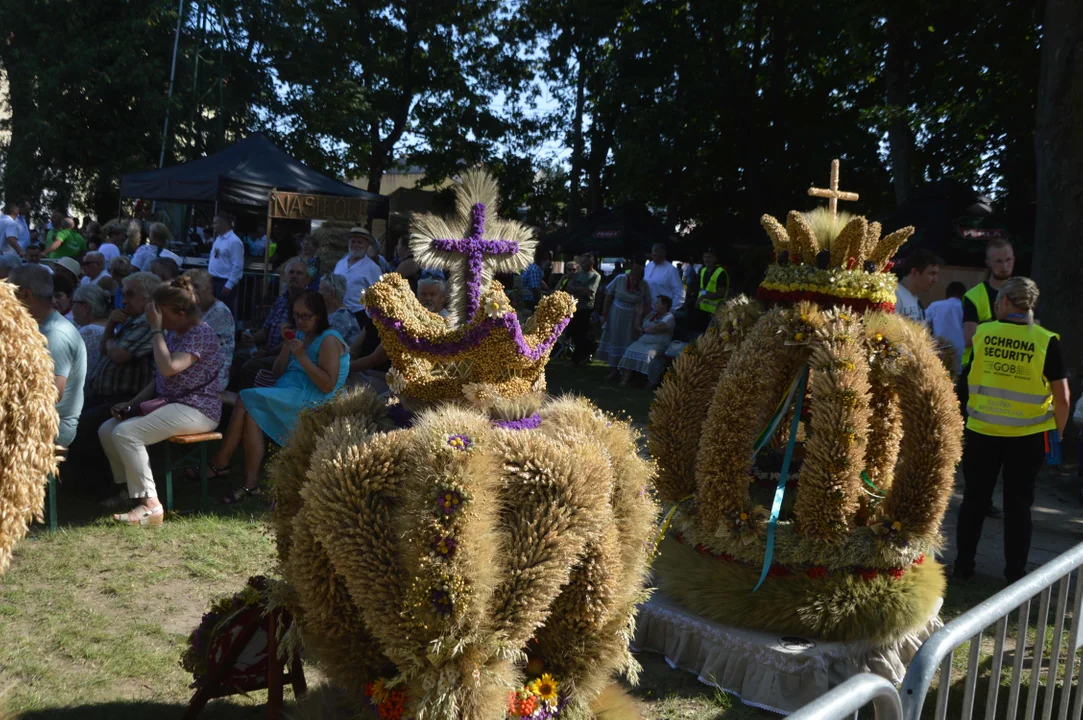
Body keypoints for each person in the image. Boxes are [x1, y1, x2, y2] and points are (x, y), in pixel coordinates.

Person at [953, 277, 1069, 583]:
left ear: (1005, 301)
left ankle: (963, 567)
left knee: (975, 501)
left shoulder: (983, 333)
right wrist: (1057, 434)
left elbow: (967, 380)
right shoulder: (1046, 340)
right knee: (1019, 507)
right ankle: (1014, 575)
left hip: (982, 431)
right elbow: (1063, 398)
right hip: (1028, 438)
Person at [98, 277, 223, 525]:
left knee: (126, 433)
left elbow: (168, 368)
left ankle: (150, 505)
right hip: (175, 404)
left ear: (180, 313)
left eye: (160, 313)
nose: (156, 319)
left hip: (199, 410)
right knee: (107, 429)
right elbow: (160, 381)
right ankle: (130, 492)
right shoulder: (176, 331)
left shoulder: (200, 334)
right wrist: (132, 403)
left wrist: (156, 330)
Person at [207, 290, 349, 503]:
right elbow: (277, 373)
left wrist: (301, 356)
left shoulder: (329, 340)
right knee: (251, 414)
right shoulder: (301, 335)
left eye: (305, 315)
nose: (299, 321)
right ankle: (250, 484)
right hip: (290, 392)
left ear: (319, 315)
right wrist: (286, 346)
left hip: (315, 400)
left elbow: (327, 385)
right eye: (296, 315)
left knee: (245, 398)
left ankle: (220, 462)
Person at [10, 265, 86, 450]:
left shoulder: (55, 335)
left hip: (53, 427)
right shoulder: (39, 326)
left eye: (9, 294)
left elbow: (51, 395)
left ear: (26, 295)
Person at [238, 258, 311, 386]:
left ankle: (250, 401)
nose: (294, 276)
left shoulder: (307, 304)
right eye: (291, 273)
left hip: (288, 355)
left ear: (307, 280)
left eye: (299, 273)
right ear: (285, 276)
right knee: (237, 357)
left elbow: (295, 340)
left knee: (249, 367)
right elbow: (266, 331)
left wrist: (266, 353)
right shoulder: (280, 301)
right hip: (268, 349)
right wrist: (252, 338)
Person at [963, 239, 1015, 368]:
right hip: (980, 368)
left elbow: (1034, 329)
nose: (1004, 266)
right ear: (988, 263)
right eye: (998, 261)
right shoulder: (974, 296)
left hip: (1012, 368)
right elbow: (970, 339)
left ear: (1013, 259)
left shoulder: (1024, 293)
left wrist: (987, 326)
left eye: (1008, 260)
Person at [598, 256, 650, 379]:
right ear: (630, 276)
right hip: (616, 314)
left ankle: (627, 371)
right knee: (615, 338)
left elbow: (647, 302)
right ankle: (613, 369)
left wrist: (643, 316)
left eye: (638, 280)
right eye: (633, 279)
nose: (635, 282)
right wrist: (604, 314)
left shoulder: (644, 285)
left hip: (632, 317)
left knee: (628, 341)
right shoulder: (620, 279)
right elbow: (608, 296)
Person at [184, 269, 235, 392]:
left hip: (213, 374)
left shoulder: (219, 311)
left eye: (196, 286)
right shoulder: (193, 309)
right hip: (194, 366)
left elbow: (190, 341)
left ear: (210, 288)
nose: (192, 291)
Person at [619, 294, 676, 388]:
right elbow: (638, 327)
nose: (655, 304)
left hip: (658, 344)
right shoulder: (651, 315)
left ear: (664, 305)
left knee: (647, 355)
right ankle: (626, 378)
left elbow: (657, 328)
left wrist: (645, 330)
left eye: (657, 303)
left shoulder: (669, 317)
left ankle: (650, 382)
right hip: (643, 342)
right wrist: (639, 315)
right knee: (630, 350)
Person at [333, 228, 383, 324]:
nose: (355, 245)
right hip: (338, 312)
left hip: (358, 314)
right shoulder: (340, 264)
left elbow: (378, 296)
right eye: (353, 241)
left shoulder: (372, 268)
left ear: (367, 245)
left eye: (359, 242)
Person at [71, 283, 112, 388]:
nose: (72, 309)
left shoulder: (89, 331)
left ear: (85, 307)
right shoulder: (111, 327)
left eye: (73, 303)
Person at [566, 253, 602, 364]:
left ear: (591, 263)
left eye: (584, 262)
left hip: (586, 307)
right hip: (575, 307)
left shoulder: (595, 276)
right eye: (581, 262)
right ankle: (579, 354)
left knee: (584, 332)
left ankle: (585, 354)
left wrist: (576, 289)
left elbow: (589, 292)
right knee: (574, 332)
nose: (582, 264)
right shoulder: (578, 274)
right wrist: (581, 289)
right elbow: (569, 287)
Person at [926, 281, 967, 377]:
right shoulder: (966, 307)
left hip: (940, 352)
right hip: (962, 355)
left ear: (947, 293)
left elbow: (922, 324)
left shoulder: (935, 306)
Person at [207, 212, 246, 315]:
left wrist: (229, 284)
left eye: (216, 223)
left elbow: (238, 265)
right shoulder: (218, 239)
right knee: (213, 312)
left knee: (224, 312)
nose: (213, 226)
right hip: (214, 280)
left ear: (225, 225)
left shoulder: (234, 241)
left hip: (224, 282)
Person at [687, 248, 729, 332]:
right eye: (705, 257)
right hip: (701, 310)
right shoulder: (702, 271)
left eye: (709, 257)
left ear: (715, 259)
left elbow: (722, 293)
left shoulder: (721, 273)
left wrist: (704, 296)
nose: (706, 259)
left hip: (715, 313)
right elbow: (701, 289)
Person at [893, 249, 941, 322]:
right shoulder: (895, 296)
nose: (935, 280)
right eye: (932, 273)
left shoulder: (914, 298)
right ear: (915, 272)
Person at [319, 273, 362, 346]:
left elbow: (327, 344)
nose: (317, 293)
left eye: (320, 290)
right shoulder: (328, 311)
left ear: (331, 294)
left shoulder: (341, 316)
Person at [644, 243, 686, 312]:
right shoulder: (649, 266)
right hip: (647, 308)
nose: (656, 257)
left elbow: (680, 293)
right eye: (654, 254)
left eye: (659, 254)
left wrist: (670, 310)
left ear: (664, 255)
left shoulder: (671, 270)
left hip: (662, 311)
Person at [520, 247, 551, 312]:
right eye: (548, 264)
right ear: (543, 261)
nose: (549, 267)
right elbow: (536, 290)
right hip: (528, 300)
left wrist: (548, 289)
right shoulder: (535, 270)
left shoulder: (537, 268)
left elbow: (539, 281)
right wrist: (540, 306)